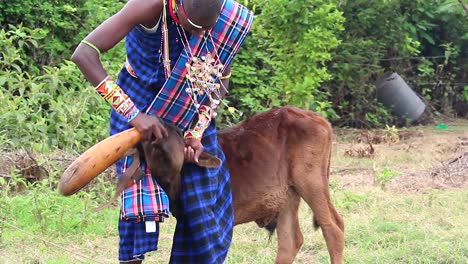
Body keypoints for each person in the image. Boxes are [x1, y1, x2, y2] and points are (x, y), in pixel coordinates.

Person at [71, 0, 253, 263]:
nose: (199, 38)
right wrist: (133, 114)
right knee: (139, 206)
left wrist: (197, 131)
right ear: (177, 6)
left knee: (203, 201)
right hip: (138, 107)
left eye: (205, 31)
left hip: (190, 107)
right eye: (192, 29)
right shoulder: (148, 5)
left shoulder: (228, 17)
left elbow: (220, 79)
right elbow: (84, 53)